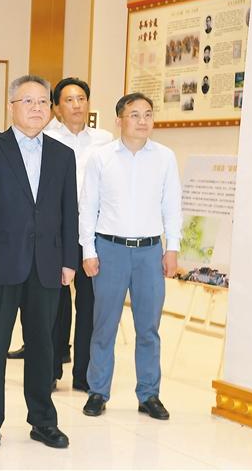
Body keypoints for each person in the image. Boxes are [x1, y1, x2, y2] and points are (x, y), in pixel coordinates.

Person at [0, 75, 77, 450]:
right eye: (27, 101)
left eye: (43, 102)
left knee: (43, 346)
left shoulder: (63, 155)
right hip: (0, 263)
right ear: (12, 107)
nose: (36, 108)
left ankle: (43, 421)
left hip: (47, 264)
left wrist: (69, 260)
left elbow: (69, 212)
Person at [80, 93, 182, 421]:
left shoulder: (165, 157)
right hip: (109, 249)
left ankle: (149, 394)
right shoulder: (101, 157)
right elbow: (88, 207)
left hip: (150, 252)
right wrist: (88, 250)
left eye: (148, 114)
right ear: (119, 120)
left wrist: (172, 248)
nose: (142, 121)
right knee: (104, 325)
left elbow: (172, 206)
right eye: (134, 114)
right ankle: (98, 391)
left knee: (149, 328)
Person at [45, 77, 113, 392]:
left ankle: (83, 373)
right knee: (54, 303)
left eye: (81, 98)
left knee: (89, 304)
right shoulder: (45, 137)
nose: (76, 105)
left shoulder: (104, 140)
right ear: (57, 107)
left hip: (92, 231)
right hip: (56, 231)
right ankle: (51, 367)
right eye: (69, 100)